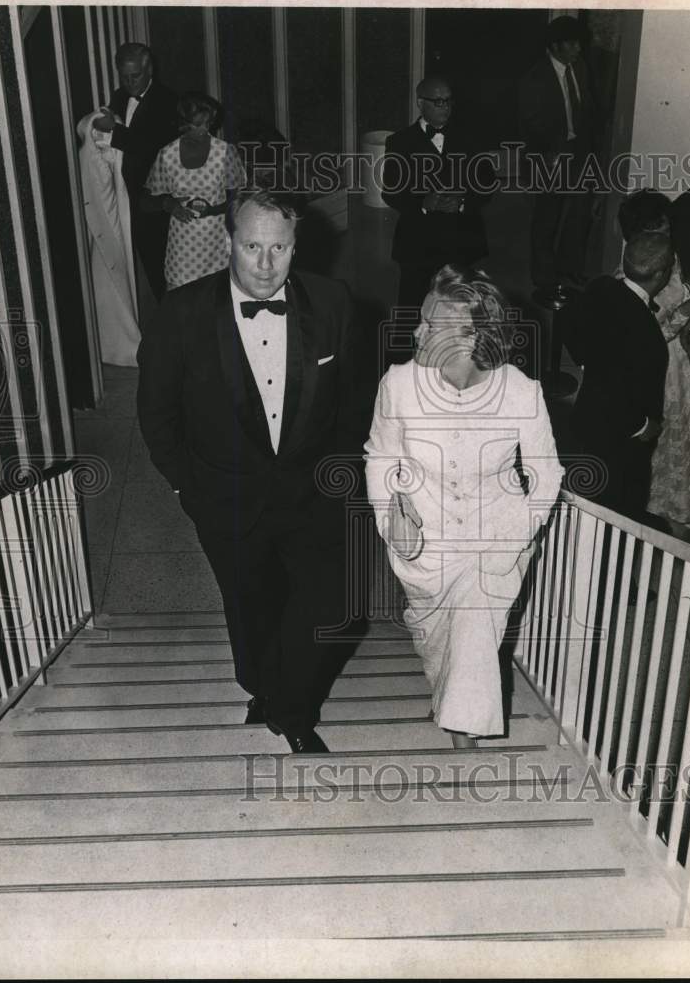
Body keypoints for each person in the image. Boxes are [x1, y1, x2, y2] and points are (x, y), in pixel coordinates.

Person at [137, 188, 373, 754]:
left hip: (315, 494)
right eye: (251, 247)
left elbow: (356, 402)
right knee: (250, 604)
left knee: (335, 604)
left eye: (279, 248)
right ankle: (262, 689)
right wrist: (184, 485)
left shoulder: (334, 300)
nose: (266, 265)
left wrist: (342, 481)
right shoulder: (182, 312)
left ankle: (291, 709)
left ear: (297, 246)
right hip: (225, 496)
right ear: (228, 243)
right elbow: (157, 414)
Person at [364, 266, 563, 744]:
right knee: (435, 642)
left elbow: (546, 473)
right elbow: (379, 455)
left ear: (472, 334)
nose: (416, 331)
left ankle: (464, 741)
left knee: (474, 635)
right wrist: (391, 517)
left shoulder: (520, 391)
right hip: (424, 543)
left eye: (430, 324)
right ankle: (450, 704)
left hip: (494, 537)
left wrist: (515, 536)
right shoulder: (399, 384)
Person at [562, 232, 673, 520]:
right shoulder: (648, 336)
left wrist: (586, 363)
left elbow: (570, 323)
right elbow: (622, 392)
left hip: (583, 420)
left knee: (584, 501)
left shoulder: (600, 287)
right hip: (620, 442)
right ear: (661, 274)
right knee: (620, 510)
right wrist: (642, 425)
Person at [381, 76, 495, 353]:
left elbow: (488, 184)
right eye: (438, 101)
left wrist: (464, 202)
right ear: (421, 104)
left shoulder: (470, 137)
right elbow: (390, 192)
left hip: (462, 240)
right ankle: (402, 367)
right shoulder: (400, 142)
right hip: (417, 243)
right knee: (410, 310)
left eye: (448, 101)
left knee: (463, 310)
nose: (445, 107)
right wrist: (423, 202)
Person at [615, 189, 690, 527]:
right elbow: (642, 340)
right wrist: (685, 314)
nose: (668, 238)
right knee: (665, 442)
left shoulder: (668, 258)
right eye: (661, 232)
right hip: (661, 371)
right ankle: (661, 513)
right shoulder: (631, 277)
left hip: (681, 364)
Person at [92, 42, 178, 307]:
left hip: (156, 200)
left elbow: (150, 146)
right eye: (125, 77)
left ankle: (174, 320)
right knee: (133, 266)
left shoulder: (168, 101)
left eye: (136, 76)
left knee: (163, 267)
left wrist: (112, 132)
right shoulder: (119, 97)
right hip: (124, 197)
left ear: (149, 69)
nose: (130, 83)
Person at [518, 15, 599, 292]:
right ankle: (543, 277)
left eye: (579, 43)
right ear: (554, 46)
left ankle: (570, 269)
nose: (578, 48)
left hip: (579, 151)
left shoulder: (581, 67)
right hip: (550, 154)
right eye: (572, 43)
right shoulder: (534, 78)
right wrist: (548, 154)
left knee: (579, 214)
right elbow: (529, 125)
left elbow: (588, 110)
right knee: (547, 218)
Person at [141, 92, 246, 290]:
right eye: (198, 125)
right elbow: (145, 201)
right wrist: (169, 204)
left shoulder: (225, 152)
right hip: (182, 250)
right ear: (183, 124)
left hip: (217, 245)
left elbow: (240, 199)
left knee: (217, 304)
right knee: (183, 309)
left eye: (209, 123)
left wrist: (213, 210)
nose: (205, 130)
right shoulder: (167, 154)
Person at [76, 109, 140, 366]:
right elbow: (99, 187)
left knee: (118, 272)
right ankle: (115, 344)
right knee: (106, 272)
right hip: (102, 217)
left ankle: (120, 340)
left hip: (114, 212)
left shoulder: (109, 149)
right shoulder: (89, 156)